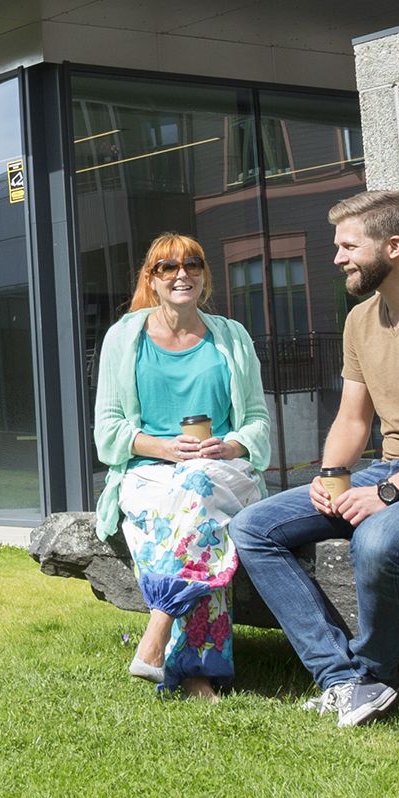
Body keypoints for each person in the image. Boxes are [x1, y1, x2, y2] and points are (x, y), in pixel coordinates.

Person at [227, 190, 399, 728]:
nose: (337, 258)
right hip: (392, 469)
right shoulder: (359, 320)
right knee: (253, 527)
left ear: (394, 246)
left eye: (349, 246)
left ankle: (378, 675)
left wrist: (387, 494)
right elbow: (353, 420)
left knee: (375, 541)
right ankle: (341, 678)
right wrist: (331, 476)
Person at [93, 232, 272, 699]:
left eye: (192, 264)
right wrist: (165, 448)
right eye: (168, 267)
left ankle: (159, 628)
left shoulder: (231, 337)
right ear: (150, 279)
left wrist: (231, 445)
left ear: (204, 275)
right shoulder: (124, 339)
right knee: (200, 522)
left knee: (197, 488)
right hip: (150, 469)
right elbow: (108, 432)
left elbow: (257, 422)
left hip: (222, 470)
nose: (182, 274)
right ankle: (196, 674)